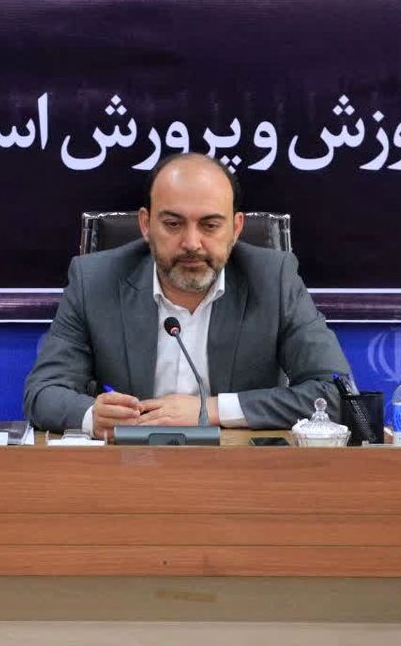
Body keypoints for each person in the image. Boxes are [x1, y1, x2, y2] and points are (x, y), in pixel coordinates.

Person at [23, 153, 351, 440]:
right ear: (146, 225)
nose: (192, 243)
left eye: (210, 225)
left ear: (236, 228)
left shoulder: (273, 279)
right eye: (173, 224)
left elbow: (337, 394)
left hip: (240, 472)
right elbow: (43, 392)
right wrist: (93, 416)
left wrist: (210, 410)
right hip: (127, 470)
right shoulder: (95, 280)